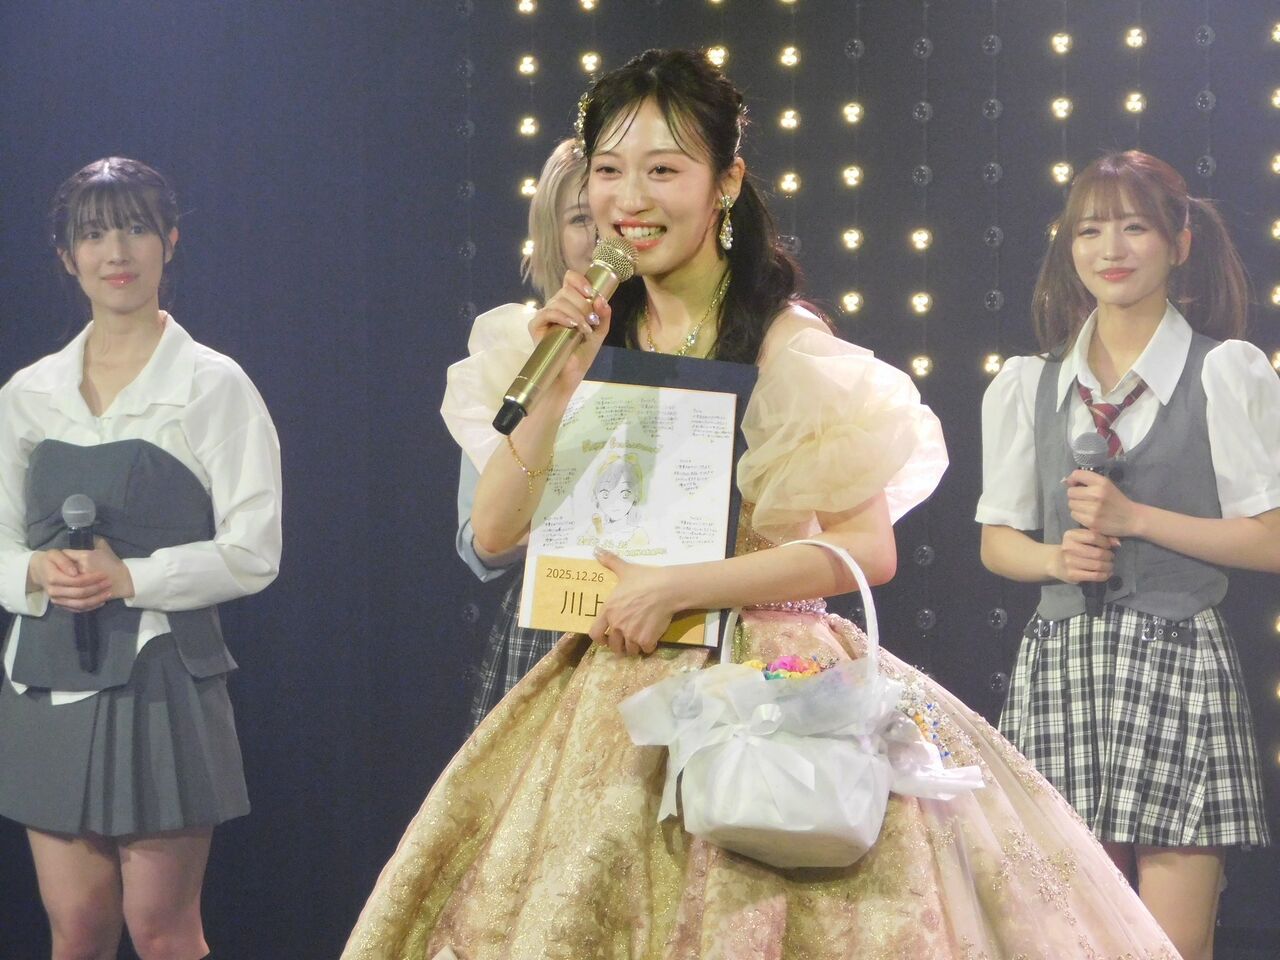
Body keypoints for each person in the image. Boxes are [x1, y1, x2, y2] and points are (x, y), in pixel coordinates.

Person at [346, 52, 1179, 959]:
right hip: (603, 688)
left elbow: (868, 549)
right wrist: (557, 387)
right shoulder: (572, 335)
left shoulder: (788, 346)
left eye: (664, 170)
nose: (631, 198)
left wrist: (681, 586)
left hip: (766, 688)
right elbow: (496, 530)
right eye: (610, 171)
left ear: (726, 183)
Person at [977, 150, 1275, 960]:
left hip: (1180, 654)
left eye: (1134, 227)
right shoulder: (1029, 383)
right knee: (1064, 935)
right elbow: (998, 542)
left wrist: (1137, 518)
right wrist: (1054, 561)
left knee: (1171, 943)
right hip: (1063, 661)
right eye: (1089, 230)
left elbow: (1271, 538)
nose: (1110, 248)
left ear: (1180, 243)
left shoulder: (1225, 370)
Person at [0, 157, 283, 960]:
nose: (115, 251)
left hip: (162, 675)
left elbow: (254, 550)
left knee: (161, 931)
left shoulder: (213, 384)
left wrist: (133, 577)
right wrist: (32, 571)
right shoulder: (27, 394)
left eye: (134, 229)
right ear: (67, 257)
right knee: (76, 928)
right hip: (47, 676)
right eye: (93, 235)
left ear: (170, 241)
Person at [452, 138, 595, 731]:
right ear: (551, 235)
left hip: (679, 622)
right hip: (555, 627)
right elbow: (480, 544)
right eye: (580, 218)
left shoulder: (694, 341)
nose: (603, 234)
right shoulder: (517, 347)